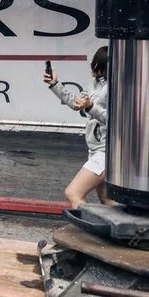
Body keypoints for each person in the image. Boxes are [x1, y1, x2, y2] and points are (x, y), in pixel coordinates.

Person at [44, 46, 116, 209]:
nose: (92, 65)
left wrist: (90, 107)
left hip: (106, 153)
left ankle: (91, 225)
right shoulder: (95, 84)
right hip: (96, 150)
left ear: (103, 66)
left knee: (73, 193)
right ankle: (125, 226)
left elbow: (115, 121)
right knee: (108, 201)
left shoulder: (115, 88)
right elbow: (76, 103)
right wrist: (54, 84)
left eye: (95, 62)